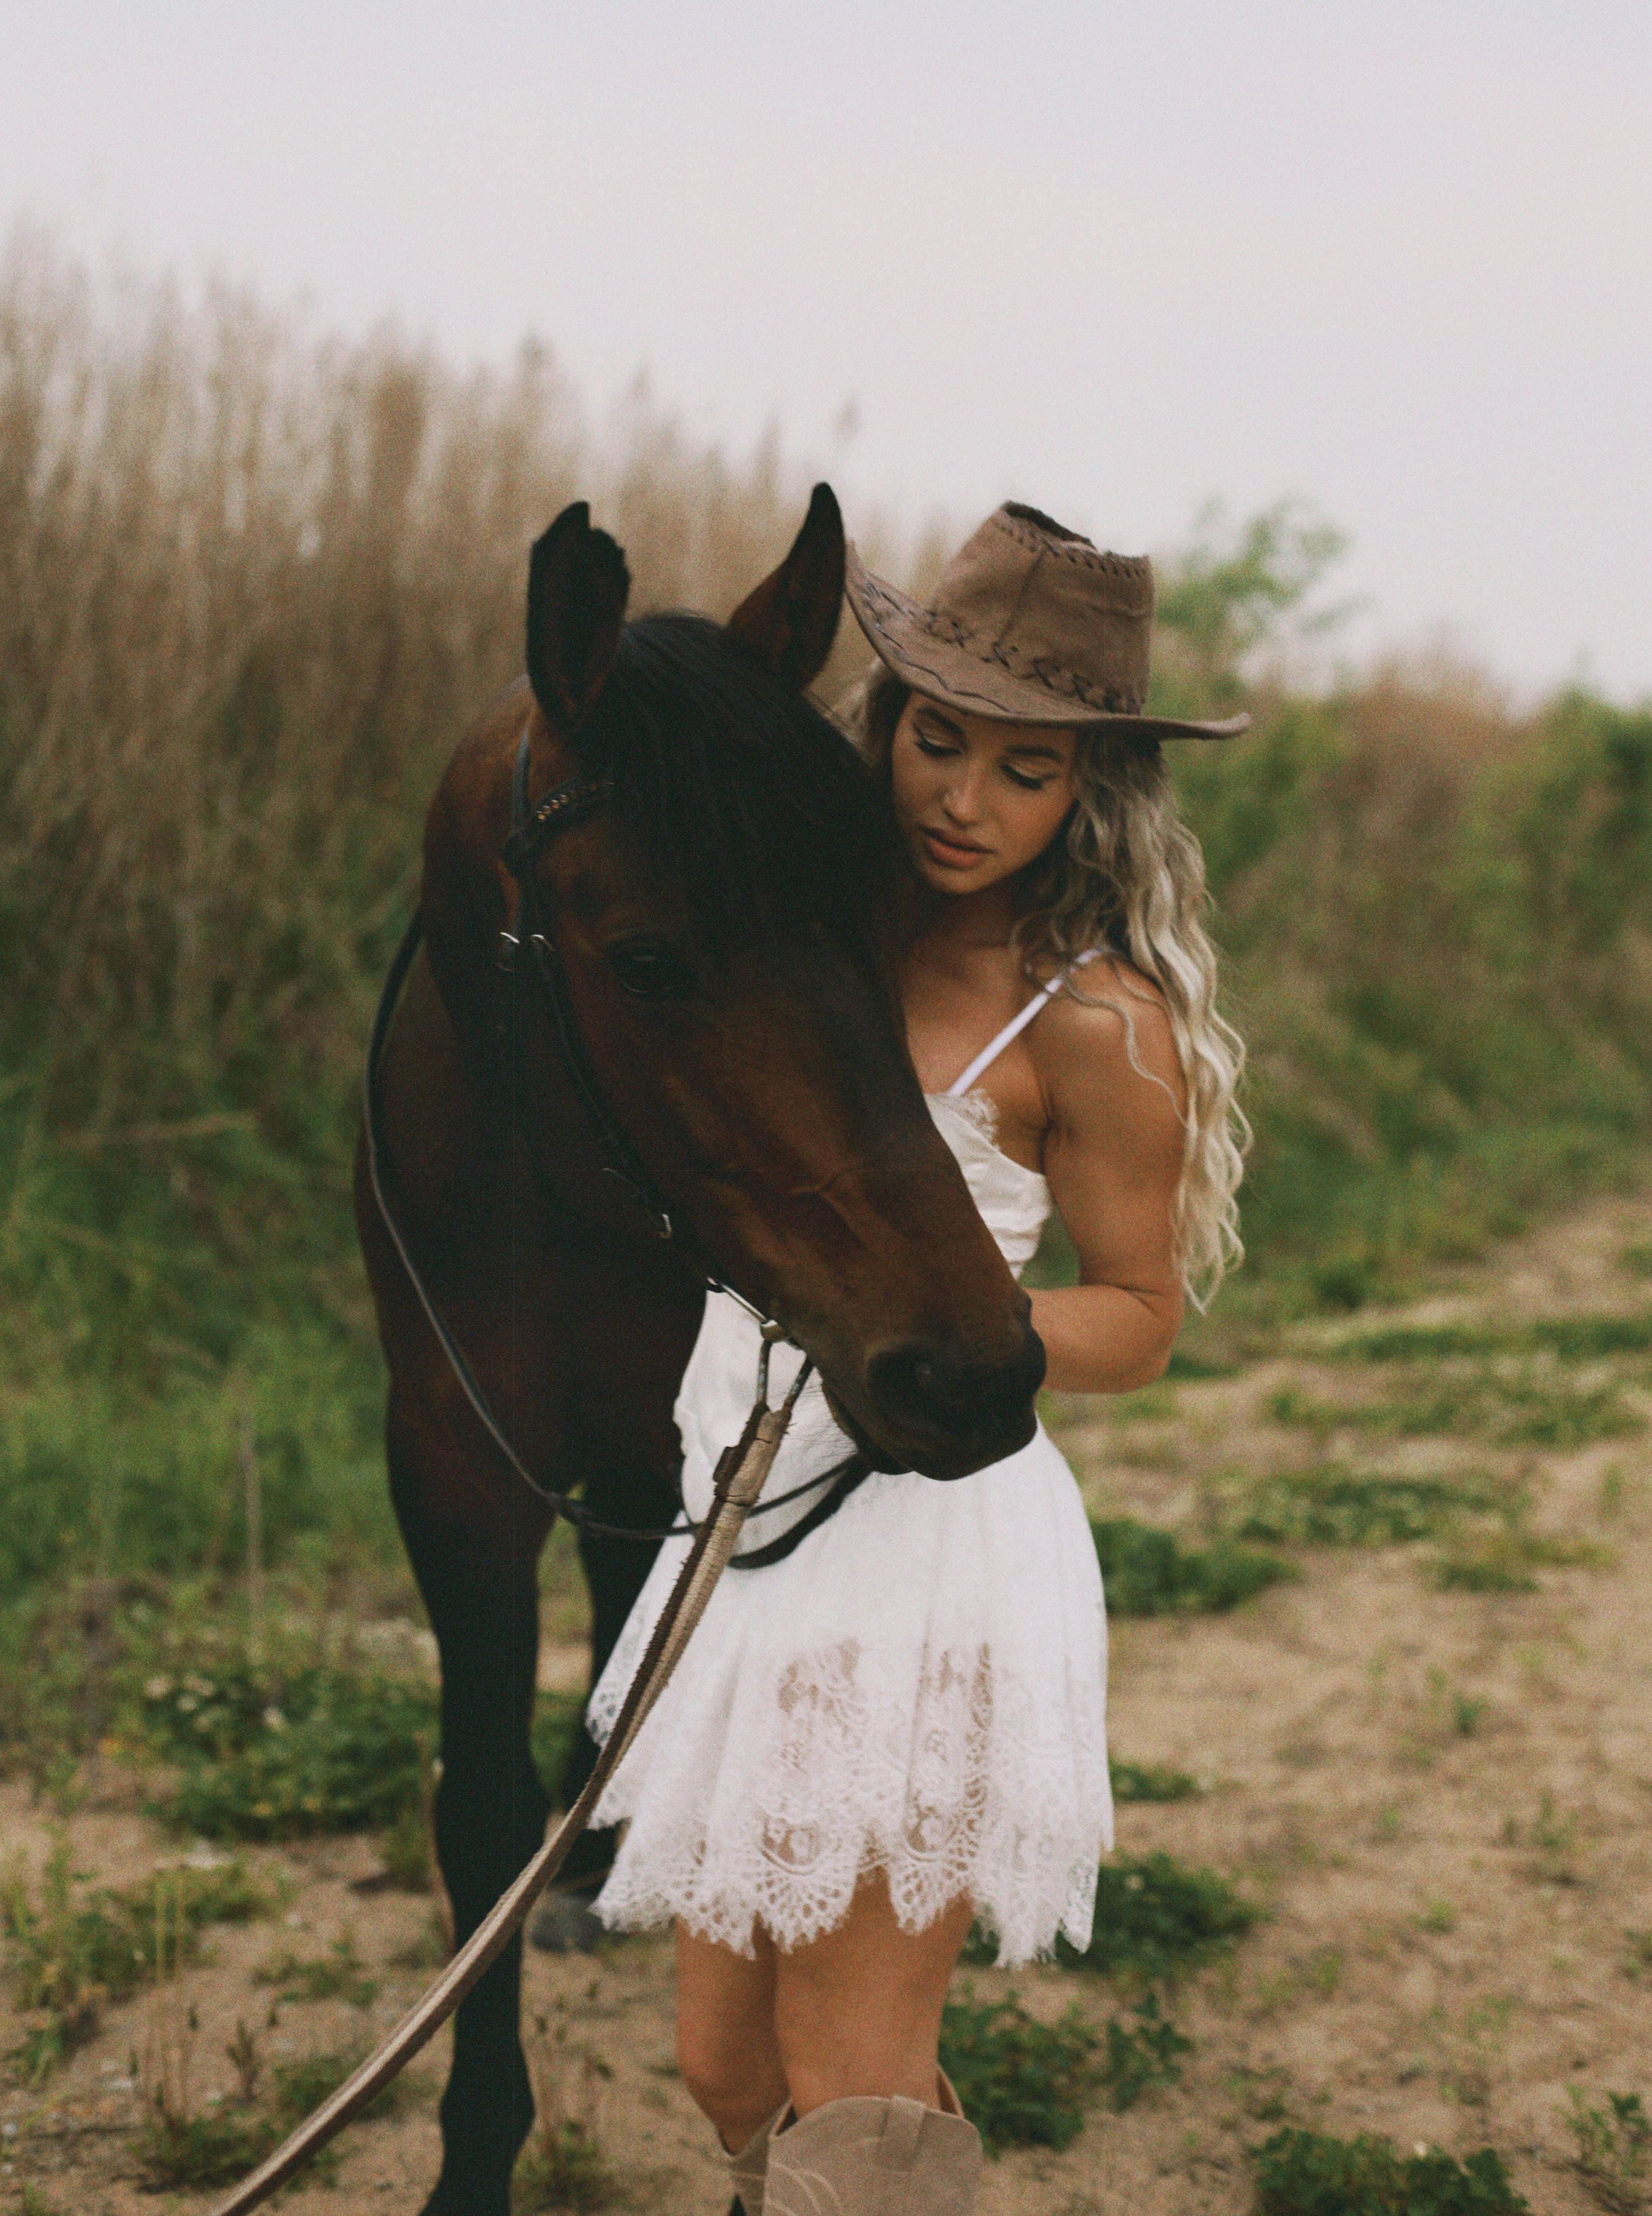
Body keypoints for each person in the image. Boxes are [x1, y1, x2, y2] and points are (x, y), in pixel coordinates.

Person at [585, 502, 1249, 2213]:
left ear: (1088, 791)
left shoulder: (1091, 1017)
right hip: (748, 1526)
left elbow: (1139, 1311)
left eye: (1024, 771)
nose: (963, 800)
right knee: (725, 2065)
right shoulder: (803, 931)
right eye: (936, 740)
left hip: (927, 1544)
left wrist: (950, 1329)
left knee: (849, 2071)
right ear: (881, 725)